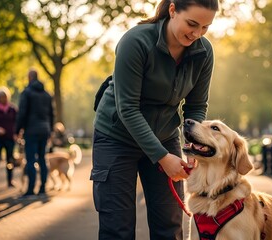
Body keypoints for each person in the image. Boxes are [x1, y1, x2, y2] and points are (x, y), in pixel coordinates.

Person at [91, 0, 219, 239]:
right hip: (117, 138)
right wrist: (161, 157)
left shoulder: (204, 52)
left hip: (165, 135)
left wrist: (193, 149)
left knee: (169, 226)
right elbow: (127, 108)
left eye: (205, 27)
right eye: (192, 24)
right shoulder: (135, 42)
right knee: (117, 229)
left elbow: (196, 106)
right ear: (172, 10)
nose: (197, 34)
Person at [16, 69, 54, 197]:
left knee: (31, 159)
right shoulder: (47, 95)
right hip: (45, 130)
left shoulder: (27, 93)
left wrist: (17, 130)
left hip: (31, 131)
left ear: (30, 77)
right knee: (42, 159)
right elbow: (51, 114)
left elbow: (22, 113)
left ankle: (30, 189)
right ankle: (43, 187)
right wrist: (51, 130)